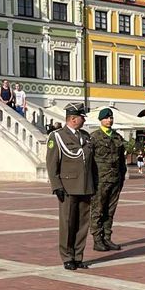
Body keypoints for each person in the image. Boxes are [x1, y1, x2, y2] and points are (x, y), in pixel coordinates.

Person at [46, 103, 95, 270]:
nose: (84, 120)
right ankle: (67, 257)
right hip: (67, 186)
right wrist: (56, 185)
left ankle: (78, 256)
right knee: (67, 223)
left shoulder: (86, 136)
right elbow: (52, 163)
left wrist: (94, 184)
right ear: (73, 119)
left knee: (82, 224)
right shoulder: (57, 136)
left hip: (85, 186)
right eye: (82, 117)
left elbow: (91, 164)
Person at [87, 108, 127, 252]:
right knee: (98, 211)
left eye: (111, 118)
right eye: (106, 118)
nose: (109, 120)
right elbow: (89, 161)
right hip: (100, 181)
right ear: (101, 120)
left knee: (110, 211)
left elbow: (122, 161)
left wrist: (122, 177)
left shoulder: (117, 137)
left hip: (115, 180)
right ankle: (97, 240)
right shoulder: (94, 137)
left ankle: (107, 238)